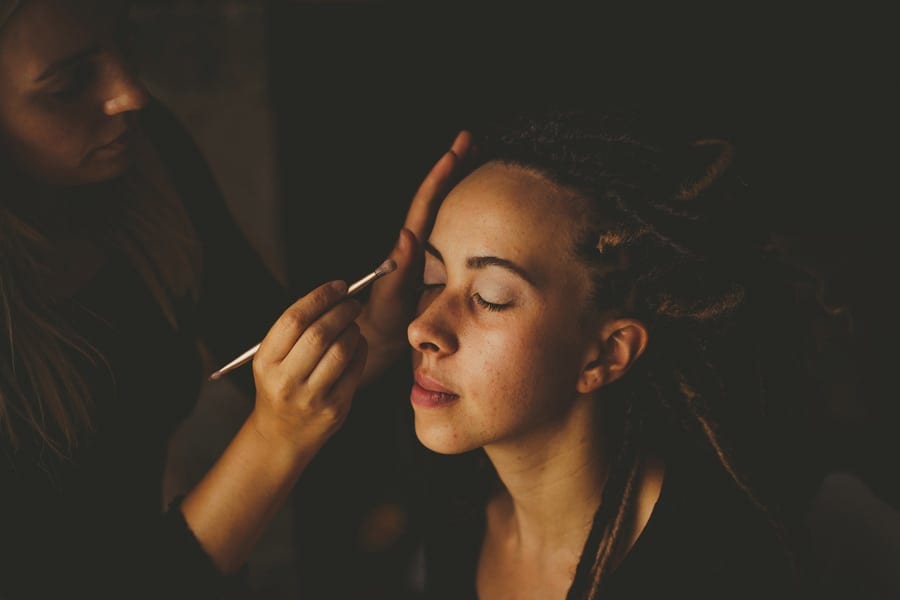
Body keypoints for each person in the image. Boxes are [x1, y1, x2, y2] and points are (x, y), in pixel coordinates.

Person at [0, 1, 469, 598]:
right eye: (69, 83)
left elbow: (256, 342)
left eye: (122, 44)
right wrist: (276, 439)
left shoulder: (146, 158)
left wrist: (369, 336)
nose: (132, 93)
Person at [406, 107, 831, 599]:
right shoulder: (451, 510)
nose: (421, 327)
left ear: (605, 354)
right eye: (432, 280)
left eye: (492, 296)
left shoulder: (711, 573)